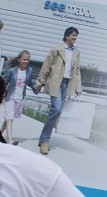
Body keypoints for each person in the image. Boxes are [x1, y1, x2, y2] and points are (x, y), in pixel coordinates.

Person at [34, 27, 81, 155]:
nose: (75, 37)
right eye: (72, 35)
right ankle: (44, 141)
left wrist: (78, 87)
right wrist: (39, 83)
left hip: (67, 84)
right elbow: (46, 67)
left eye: (76, 35)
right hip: (56, 83)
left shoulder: (76, 52)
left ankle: (43, 138)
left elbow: (77, 71)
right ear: (66, 36)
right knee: (57, 109)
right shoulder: (56, 50)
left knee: (56, 111)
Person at [2, 51, 33, 146]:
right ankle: (10, 140)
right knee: (10, 118)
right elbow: (4, 82)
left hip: (19, 99)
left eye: (27, 59)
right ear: (19, 59)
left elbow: (29, 82)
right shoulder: (12, 71)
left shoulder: (29, 70)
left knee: (8, 118)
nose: (26, 61)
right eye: (24, 59)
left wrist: (35, 89)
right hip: (10, 97)